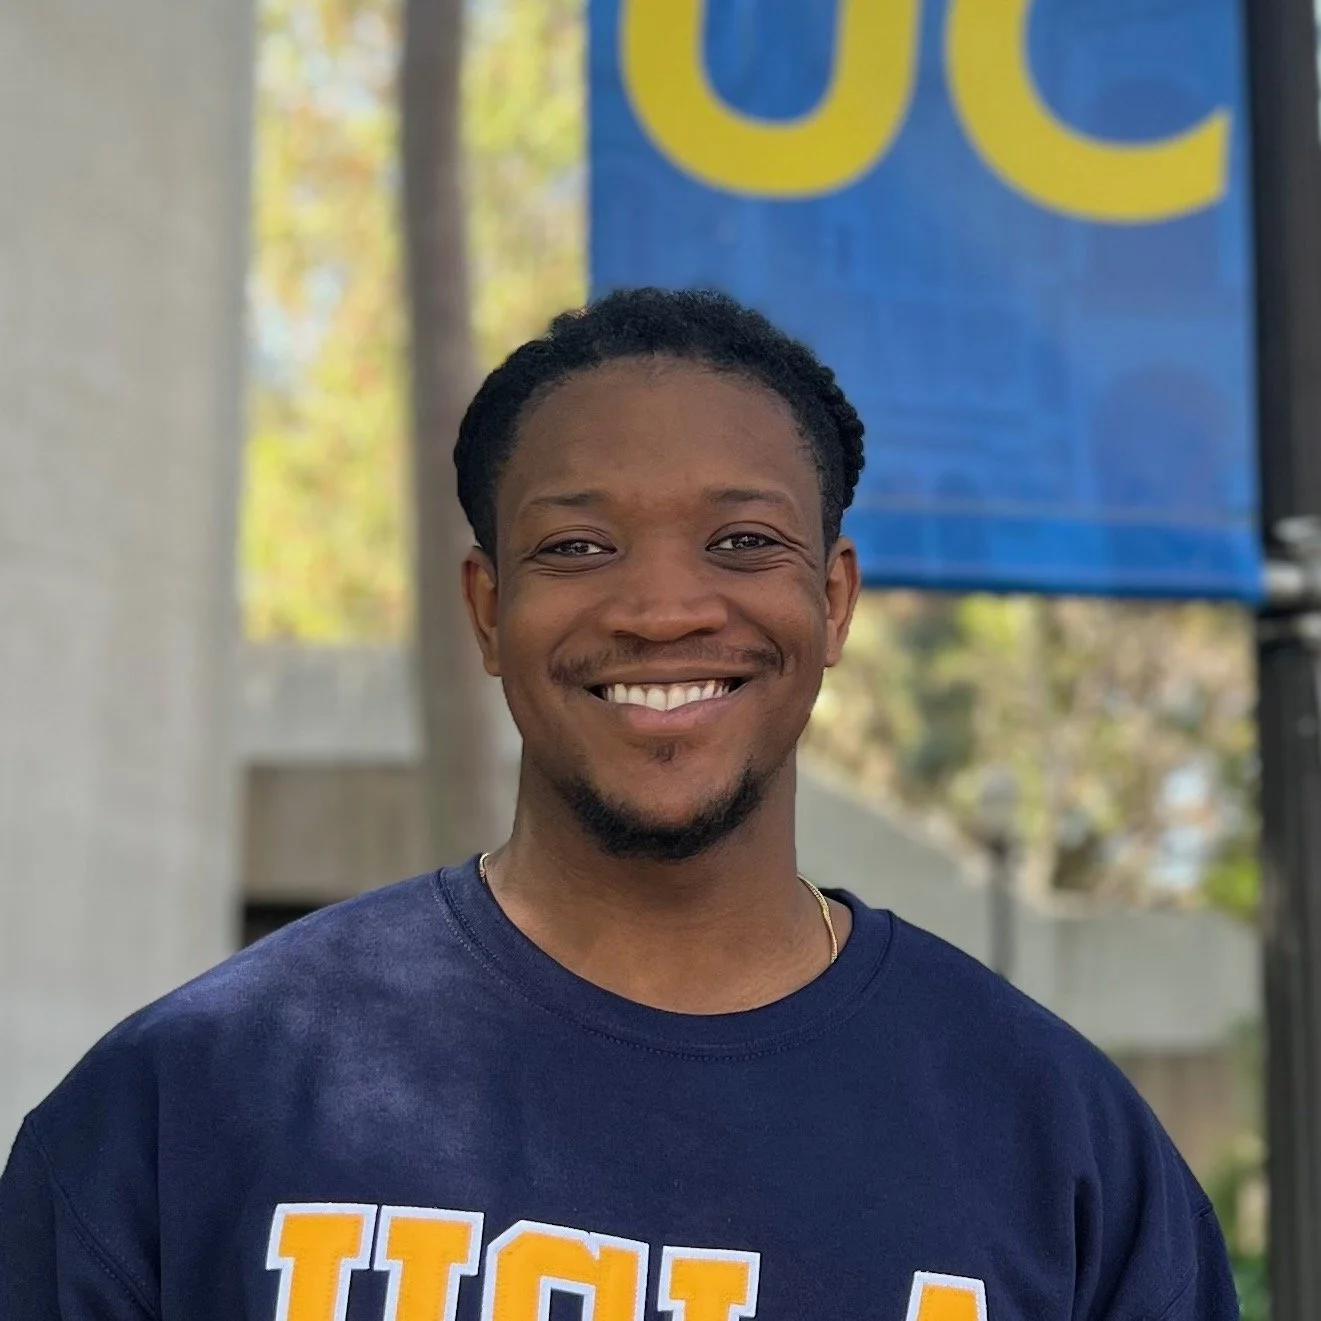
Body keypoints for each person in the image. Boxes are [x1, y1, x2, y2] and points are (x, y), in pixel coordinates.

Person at [0, 288, 1238, 1320]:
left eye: (744, 543)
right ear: (488, 611)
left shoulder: (1062, 1150)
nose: (659, 608)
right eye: (578, 549)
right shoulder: (194, 1103)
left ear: (836, 601)